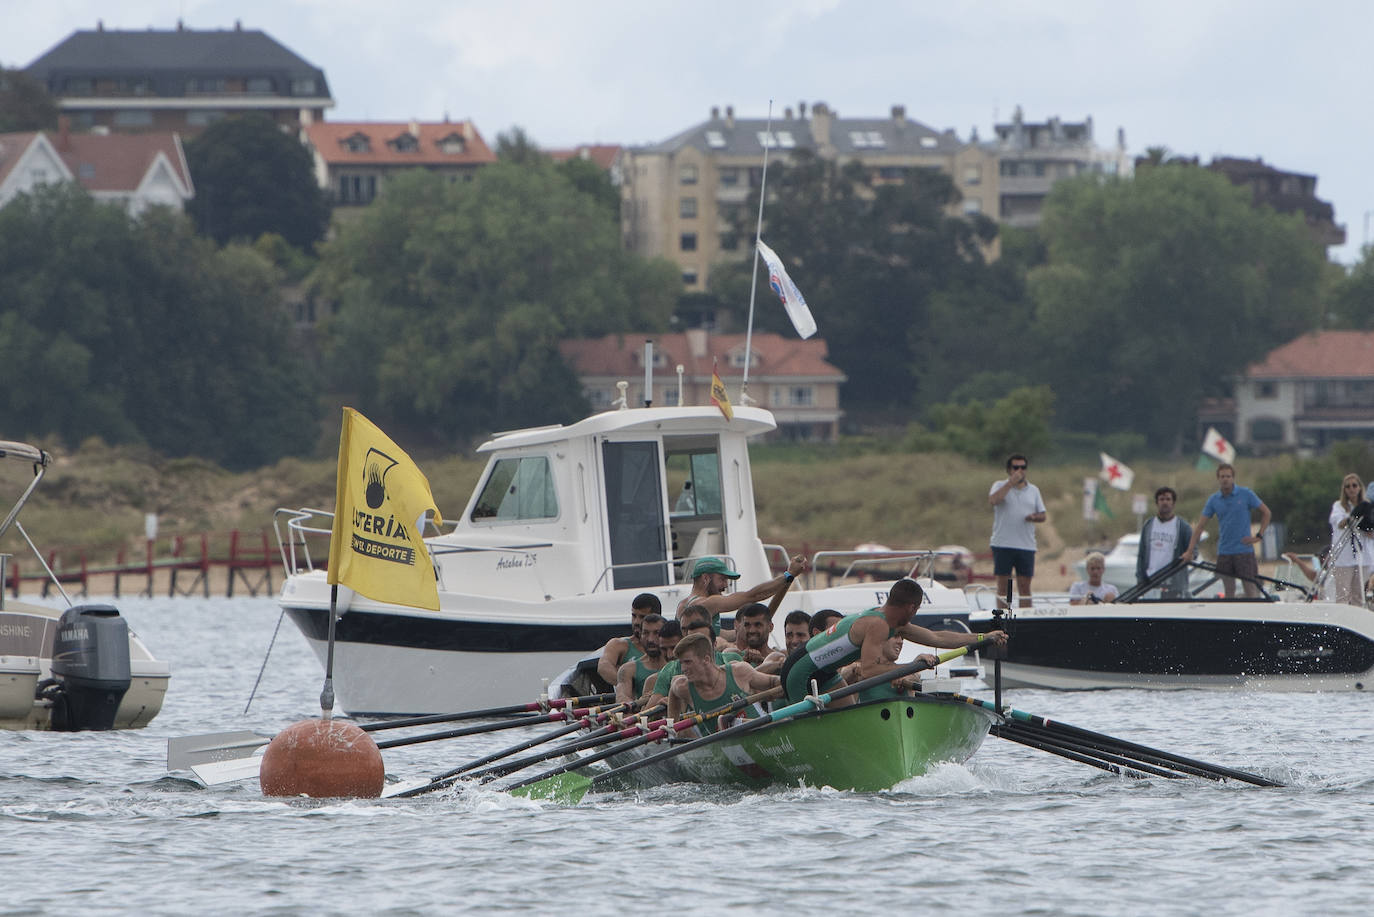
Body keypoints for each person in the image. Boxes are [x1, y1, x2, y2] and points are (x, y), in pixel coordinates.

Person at [780, 578, 1007, 705]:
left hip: (825, 672)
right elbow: (869, 671)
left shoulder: (890, 621)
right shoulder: (877, 625)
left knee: (848, 712)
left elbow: (936, 637)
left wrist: (983, 638)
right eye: (916, 610)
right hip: (800, 672)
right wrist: (910, 668)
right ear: (912, 607)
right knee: (828, 720)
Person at [1181, 463, 1271, 598]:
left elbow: (1266, 513)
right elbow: (1200, 526)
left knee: (1250, 587)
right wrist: (1189, 550)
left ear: (1233, 478)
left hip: (1244, 550)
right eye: (1222, 476)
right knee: (1228, 589)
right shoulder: (1213, 500)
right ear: (1218, 479)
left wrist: (1259, 535)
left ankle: (1253, 615)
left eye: (1228, 476)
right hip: (1225, 551)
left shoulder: (1245, 494)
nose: (1225, 479)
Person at [666, 633, 781, 735]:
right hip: (727, 748)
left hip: (762, 734)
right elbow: (673, 691)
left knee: (783, 721)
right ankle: (731, 723)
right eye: (681, 663)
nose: (683, 668)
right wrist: (672, 725)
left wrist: (787, 685)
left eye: (687, 662)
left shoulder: (739, 671)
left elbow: (773, 682)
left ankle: (733, 723)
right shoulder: (683, 687)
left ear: (706, 659)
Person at [676, 554, 807, 638]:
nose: (725, 585)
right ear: (705, 578)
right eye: (722, 579)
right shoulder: (706, 604)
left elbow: (729, 635)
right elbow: (753, 596)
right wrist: (788, 575)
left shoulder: (683, 605)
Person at [640, 605, 741, 708]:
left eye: (696, 626)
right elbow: (648, 713)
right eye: (684, 630)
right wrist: (660, 705)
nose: (689, 635)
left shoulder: (732, 659)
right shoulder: (670, 670)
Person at [988, 453, 1047, 608]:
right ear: (1009, 469)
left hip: (1026, 545)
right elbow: (994, 500)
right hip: (1003, 543)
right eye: (1016, 467)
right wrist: (1010, 483)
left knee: (1024, 587)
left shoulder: (1033, 490)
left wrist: (1034, 517)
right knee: (1004, 587)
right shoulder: (999, 485)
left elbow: (1043, 515)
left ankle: (1025, 619)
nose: (1020, 471)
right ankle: (1002, 621)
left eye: (1023, 467)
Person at [1326, 473, 1374, 606]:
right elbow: (1339, 522)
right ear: (1344, 490)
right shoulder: (1339, 506)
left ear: (1359, 487)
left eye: (1354, 485)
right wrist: (1353, 518)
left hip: (1363, 557)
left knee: (1359, 595)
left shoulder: (1368, 507)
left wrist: (1367, 528)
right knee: (1343, 594)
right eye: (1348, 487)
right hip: (1344, 558)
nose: (1351, 489)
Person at [1136, 486, 1193, 598]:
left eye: (1168, 499)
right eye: (1162, 499)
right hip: (1150, 583)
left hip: (1174, 585)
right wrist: (1140, 579)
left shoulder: (1183, 527)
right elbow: (1141, 554)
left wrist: (1189, 555)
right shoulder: (1149, 525)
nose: (1165, 502)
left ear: (1173, 503)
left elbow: (1193, 551)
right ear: (1157, 503)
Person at [596, 593, 659, 686]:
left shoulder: (666, 646)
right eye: (634, 616)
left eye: (642, 617)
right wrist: (627, 686)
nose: (636, 622)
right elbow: (603, 666)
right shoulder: (619, 644)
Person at [614, 613, 668, 703]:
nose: (650, 639)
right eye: (646, 633)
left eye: (656, 633)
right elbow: (622, 699)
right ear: (640, 635)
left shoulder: (677, 666)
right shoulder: (628, 669)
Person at [733, 602, 786, 673]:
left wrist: (762, 661)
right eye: (747, 625)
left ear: (770, 627)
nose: (751, 630)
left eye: (758, 625)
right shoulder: (734, 656)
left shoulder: (780, 660)